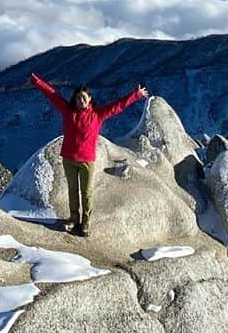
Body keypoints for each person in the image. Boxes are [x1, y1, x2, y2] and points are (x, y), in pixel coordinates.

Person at [28, 72, 148, 237]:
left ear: (90, 99)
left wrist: (136, 95)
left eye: (84, 98)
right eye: (78, 98)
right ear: (75, 100)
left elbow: (117, 106)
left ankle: (86, 221)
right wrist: (37, 82)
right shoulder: (68, 111)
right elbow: (52, 94)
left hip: (87, 161)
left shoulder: (97, 115)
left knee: (86, 193)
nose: (81, 101)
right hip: (69, 159)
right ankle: (73, 218)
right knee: (72, 190)